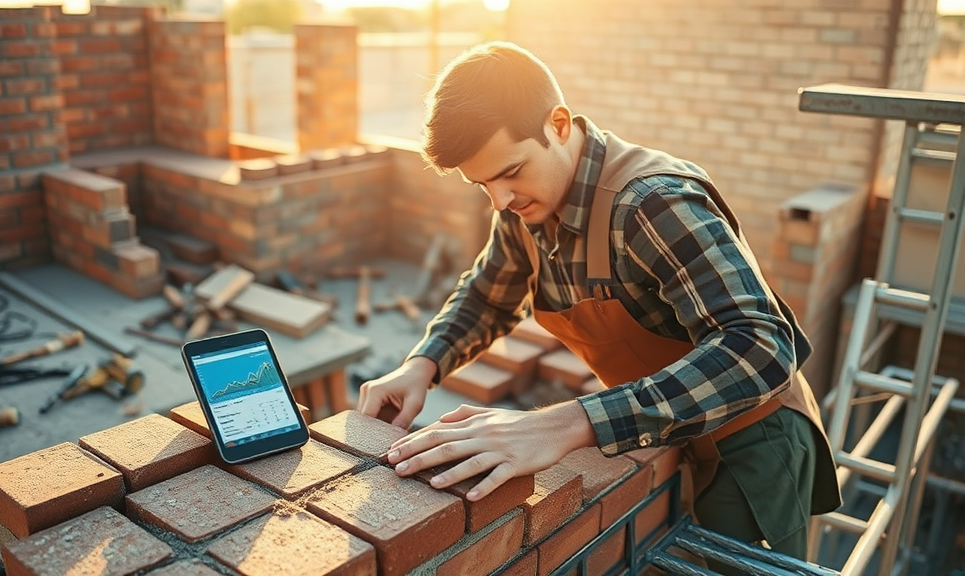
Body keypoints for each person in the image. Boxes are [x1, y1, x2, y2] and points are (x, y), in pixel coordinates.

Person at [356, 40, 841, 562]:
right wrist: (421, 365)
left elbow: (762, 347)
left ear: (559, 125)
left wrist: (567, 423)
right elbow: (488, 295)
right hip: (667, 428)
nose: (500, 200)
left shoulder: (651, 203)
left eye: (511, 172)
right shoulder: (524, 208)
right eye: (483, 184)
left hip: (754, 439)